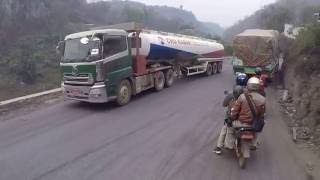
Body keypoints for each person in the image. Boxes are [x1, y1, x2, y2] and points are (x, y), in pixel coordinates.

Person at [230, 77, 266, 149]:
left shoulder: (242, 97)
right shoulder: (263, 99)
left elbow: (235, 110)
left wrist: (232, 117)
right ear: (258, 86)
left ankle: (230, 144)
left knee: (230, 128)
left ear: (248, 85)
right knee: (259, 127)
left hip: (241, 122)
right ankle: (254, 143)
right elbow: (262, 113)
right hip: (253, 123)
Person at [213, 86, 244, 155]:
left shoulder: (230, 96)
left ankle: (218, 148)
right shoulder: (246, 97)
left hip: (231, 119)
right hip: (243, 119)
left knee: (224, 130)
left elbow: (224, 105)